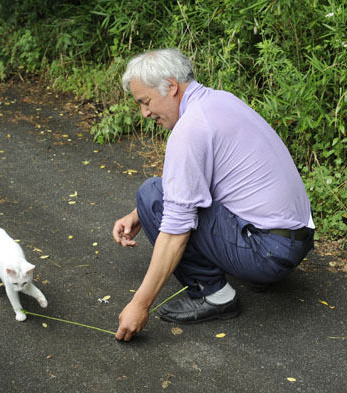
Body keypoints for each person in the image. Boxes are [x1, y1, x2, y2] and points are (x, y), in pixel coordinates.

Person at [112, 48, 315, 342]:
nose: (144, 113)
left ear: (170, 86)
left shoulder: (191, 128)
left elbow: (175, 231)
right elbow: (199, 182)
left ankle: (215, 296)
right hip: (296, 239)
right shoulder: (221, 101)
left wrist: (139, 304)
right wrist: (137, 215)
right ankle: (254, 273)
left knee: (151, 194)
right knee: (158, 197)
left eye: (145, 102)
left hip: (268, 253)